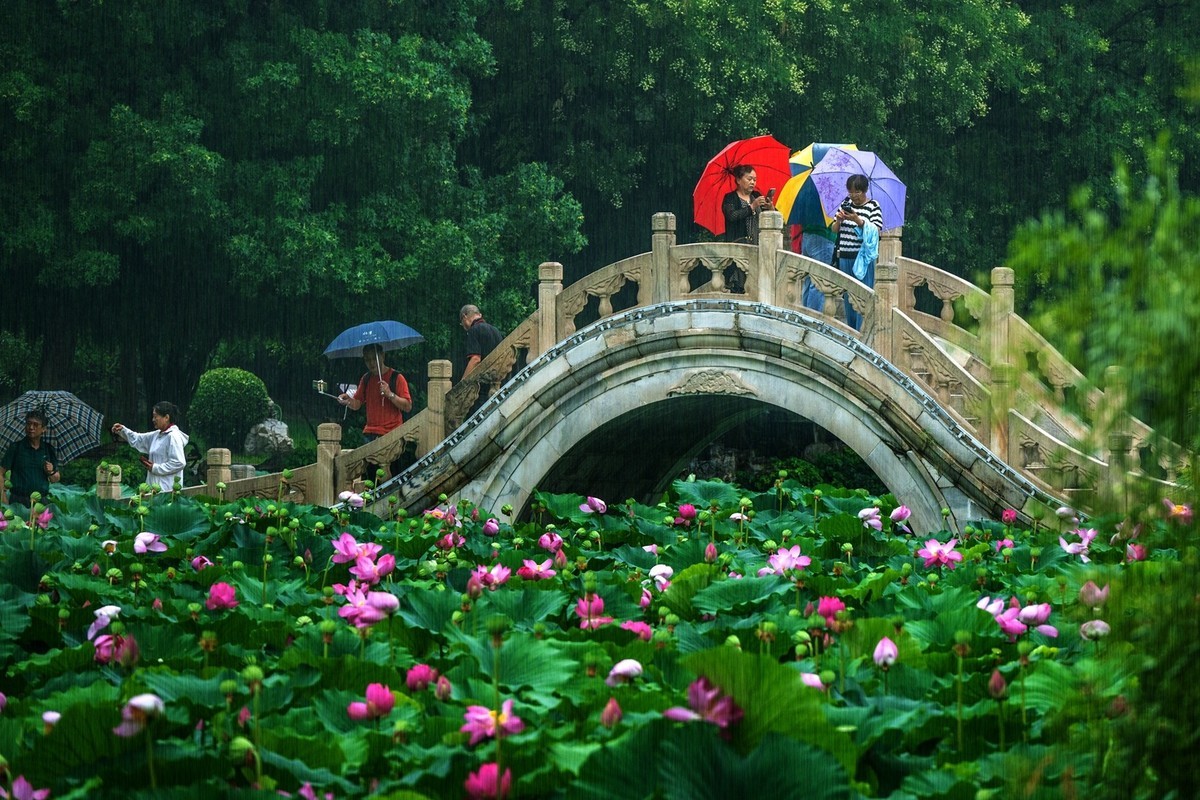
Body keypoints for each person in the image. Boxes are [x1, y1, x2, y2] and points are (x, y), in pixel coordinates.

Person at [338, 344, 412, 479]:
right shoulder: (366, 379)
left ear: (382, 356)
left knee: (393, 477)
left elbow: (407, 406)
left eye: (374, 358)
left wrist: (390, 394)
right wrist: (348, 400)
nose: (371, 363)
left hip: (392, 435)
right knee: (370, 480)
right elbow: (357, 404)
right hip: (370, 435)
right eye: (367, 360)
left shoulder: (397, 377)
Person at [830, 173, 884, 330]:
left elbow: (876, 230)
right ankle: (852, 330)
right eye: (851, 192)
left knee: (862, 297)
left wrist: (857, 220)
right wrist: (839, 220)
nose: (853, 196)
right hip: (845, 256)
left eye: (857, 192)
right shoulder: (846, 204)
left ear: (865, 190)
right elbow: (834, 230)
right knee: (848, 298)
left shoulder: (873, 206)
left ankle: (863, 332)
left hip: (863, 258)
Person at [111, 401, 189, 492]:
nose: (153, 419)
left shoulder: (173, 436)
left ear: (166, 417)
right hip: (154, 489)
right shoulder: (156, 435)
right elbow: (138, 439)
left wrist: (155, 468)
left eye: (155, 417)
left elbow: (179, 462)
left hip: (168, 490)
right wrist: (123, 430)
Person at [721, 165, 774, 291]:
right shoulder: (730, 198)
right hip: (739, 247)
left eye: (754, 180)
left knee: (759, 285)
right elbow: (732, 216)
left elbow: (772, 218)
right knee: (740, 284)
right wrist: (752, 207)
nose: (752, 182)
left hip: (758, 247)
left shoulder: (756, 195)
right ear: (738, 180)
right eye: (749, 179)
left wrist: (770, 208)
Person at [0, 409, 60, 507]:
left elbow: (55, 479)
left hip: (41, 503)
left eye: (36, 425)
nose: (31, 427)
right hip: (18, 501)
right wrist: (4, 499)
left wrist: (51, 471)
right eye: (28, 424)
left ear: (44, 429)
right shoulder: (16, 447)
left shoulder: (48, 449)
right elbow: (0, 473)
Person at [459, 304, 505, 414]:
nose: (463, 326)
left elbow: (475, 359)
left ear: (465, 316)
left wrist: (462, 383)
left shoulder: (474, 330)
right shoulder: (496, 331)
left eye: (462, 323)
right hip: (496, 386)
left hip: (481, 389)